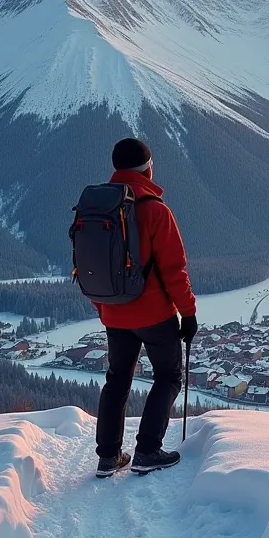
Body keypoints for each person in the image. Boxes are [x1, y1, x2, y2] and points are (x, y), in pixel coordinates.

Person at [93, 137, 198, 477]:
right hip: (155, 315)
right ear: (148, 168)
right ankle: (147, 450)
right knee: (167, 376)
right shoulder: (155, 210)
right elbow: (174, 270)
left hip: (114, 314)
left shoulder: (98, 208)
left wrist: (105, 308)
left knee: (117, 380)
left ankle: (108, 457)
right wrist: (188, 313)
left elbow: (90, 267)